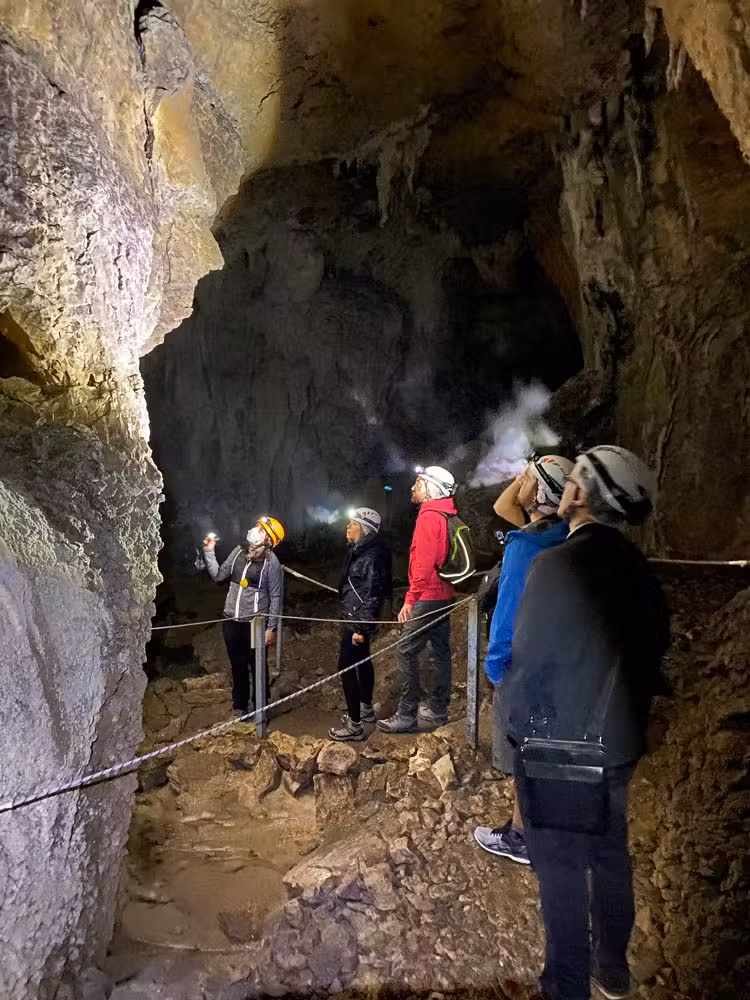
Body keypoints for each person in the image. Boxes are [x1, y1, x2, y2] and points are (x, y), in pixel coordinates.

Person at [504, 445, 670, 1000]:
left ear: (578, 495)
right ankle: (613, 971)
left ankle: (565, 985)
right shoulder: (641, 570)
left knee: (561, 871)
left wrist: (519, 741)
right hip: (618, 741)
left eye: (573, 479)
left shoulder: (557, 564)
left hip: (560, 746)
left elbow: (529, 664)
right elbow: (652, 654)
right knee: (609, 853)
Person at [474, 454, 573, 864]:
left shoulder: (525, 547)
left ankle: (522, 838)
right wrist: (532, 478)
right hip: (559, 659)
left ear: (541, 491)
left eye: (529, 478)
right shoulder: (561, 534)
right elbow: (504, 508)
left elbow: (506, 615)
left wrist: (496, 669)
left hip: (524, 665)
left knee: (524, 753)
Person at [377, 465, 457, 733]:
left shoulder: (429, 517)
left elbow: (423, 564)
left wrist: (410, 599)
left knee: (405, 649)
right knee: (440, 650)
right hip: (445, 593)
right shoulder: (445, 514)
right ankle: (438, 709)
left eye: (418, 484)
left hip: (429, 594)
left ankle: (406, 714)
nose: (413, 488)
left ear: (429, 489)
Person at [202, 516, 285, 719]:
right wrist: (209, 551)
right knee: (237, 666)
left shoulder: (271, 563)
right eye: (257, 525)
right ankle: (240, 707)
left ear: (269, 539)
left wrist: (270, 628)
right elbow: (219, 576)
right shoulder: (239, 552)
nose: (256, 529)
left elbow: (275, 596)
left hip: (255, 624)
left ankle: (260, 708)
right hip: (231, 621)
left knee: (258, 665)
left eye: (262, 529)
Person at [329, 507, 392, 742]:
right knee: (363, 661)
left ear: (364, 529)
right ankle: (365, 707)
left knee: (346, 667)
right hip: (356, 617)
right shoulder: (360, 551)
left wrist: (359, 628)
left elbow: (373, 593)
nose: (347, 527)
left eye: (352, 523)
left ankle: (354, 724)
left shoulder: (369, 557)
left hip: (358, 619)